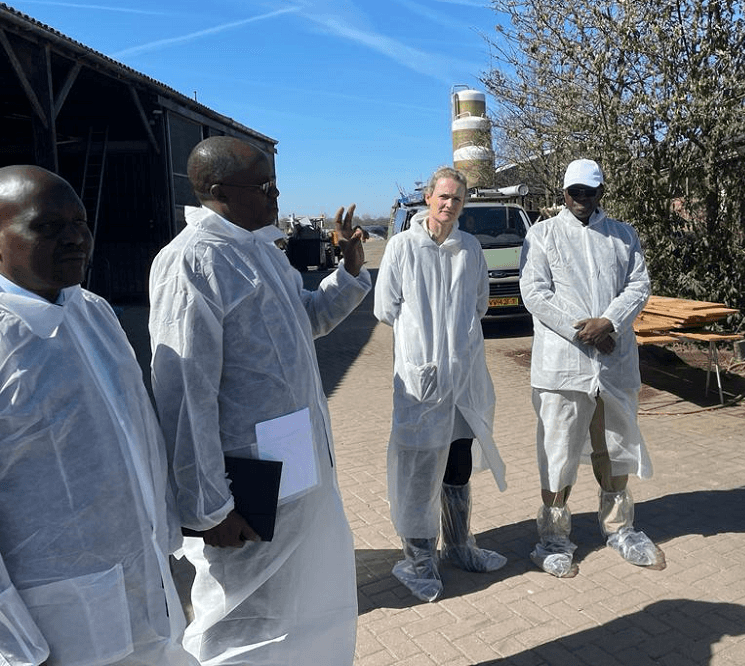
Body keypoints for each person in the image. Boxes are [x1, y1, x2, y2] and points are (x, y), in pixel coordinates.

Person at [148, 136, 370, 665]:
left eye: (275, 182)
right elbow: (183, 396)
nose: (275, 195)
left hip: (296, 463)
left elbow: (310, 319)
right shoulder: (191, 263)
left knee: (307, 601)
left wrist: (352, 271)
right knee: (242, 619)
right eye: (264, 185)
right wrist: (208, 508)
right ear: (219, 191)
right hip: (244, 488)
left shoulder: (259, 250)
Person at [0, 165, 196, 666]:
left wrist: (168, 541)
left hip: (144, 581)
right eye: (47, 226)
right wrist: (16, 649)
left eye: (80, 222)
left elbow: (137, 435)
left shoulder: (93, 311)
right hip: (58, 622)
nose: (75, 238)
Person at [519, 158, 664, 578]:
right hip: (563, 367)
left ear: (602, 192)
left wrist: (611, 323)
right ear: (563, 192)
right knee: (558, 449)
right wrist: (585, 329)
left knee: (616, 445)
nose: (583, 199)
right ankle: (553, 536)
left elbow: (639, 285)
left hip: (614, 362)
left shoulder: (622, 236)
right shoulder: (542, 235)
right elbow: (535, 292)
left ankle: (619, 527)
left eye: (591, 192)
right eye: (575, 192)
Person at [373, 166, 507, 603]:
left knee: (458, 463)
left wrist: (455, 344)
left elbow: (481, 303)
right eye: (443, 197)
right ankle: (418, 558)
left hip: (464, 379)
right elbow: (385, 308)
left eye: (458, 200)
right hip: (421, 381)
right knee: (418, 471)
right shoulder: (402, 248)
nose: (449, 205)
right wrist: (422, 346)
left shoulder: (469, 248)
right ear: (428, 197)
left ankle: (459, 545)